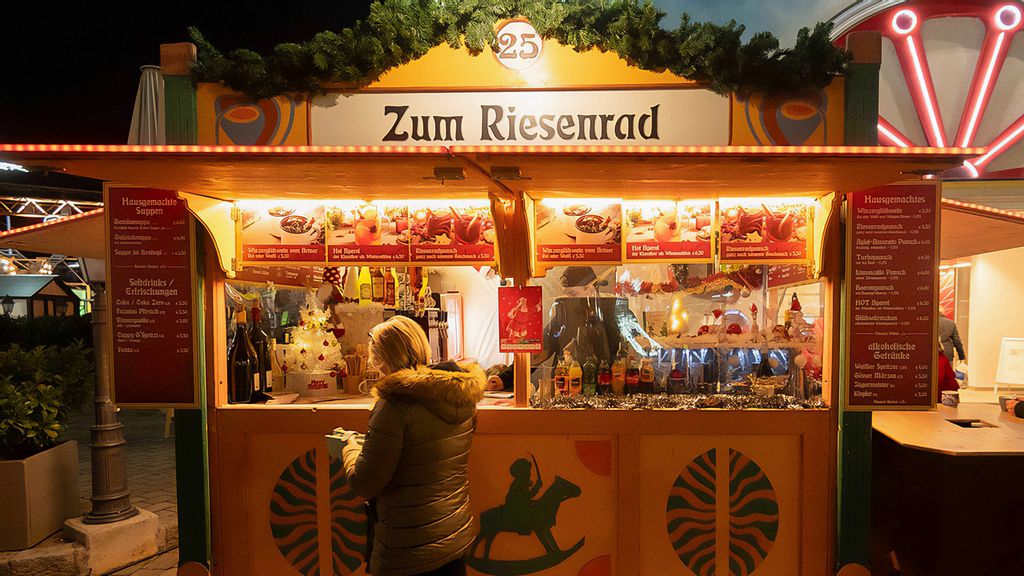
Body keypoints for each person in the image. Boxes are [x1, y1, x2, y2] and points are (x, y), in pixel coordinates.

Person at [339, 315, 486, 576]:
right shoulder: (458, 395)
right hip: (453, 536)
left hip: (409, 547)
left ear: (382, 357)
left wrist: (349, 447)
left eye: (375, 356)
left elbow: (365, 482)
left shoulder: (394, 405)